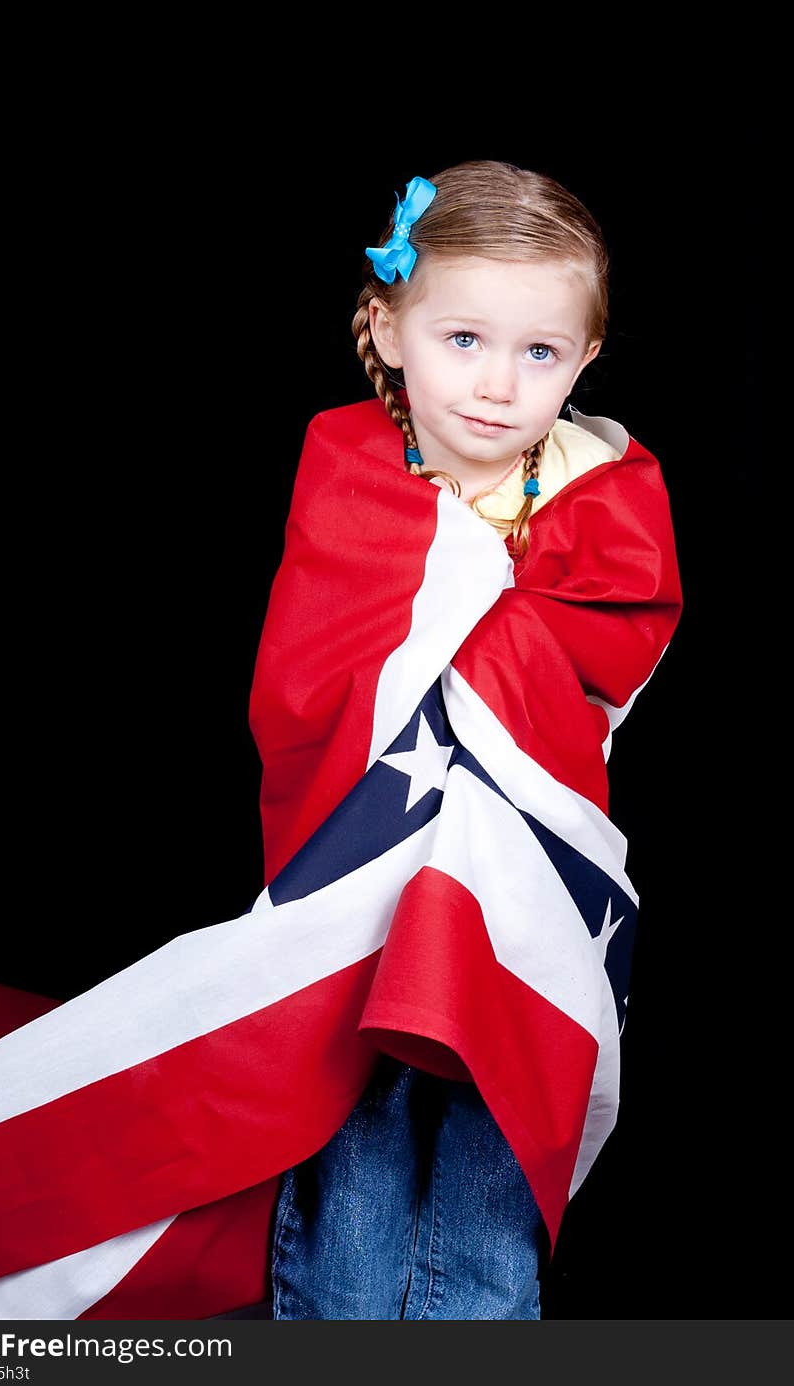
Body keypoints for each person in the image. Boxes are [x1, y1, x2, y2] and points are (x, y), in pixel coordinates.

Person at [268, 159, 681, 1320]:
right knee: (357, 1132)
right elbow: (309, 685)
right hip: (363, 864)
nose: (498, 385)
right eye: (462, 338)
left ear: (584, 360)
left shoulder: (607, 488)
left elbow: (610, 645)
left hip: (524, 881)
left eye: (538, 353)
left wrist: (497, 627)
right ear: (390, 328)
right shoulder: (351, 467)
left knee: (497, 1137)